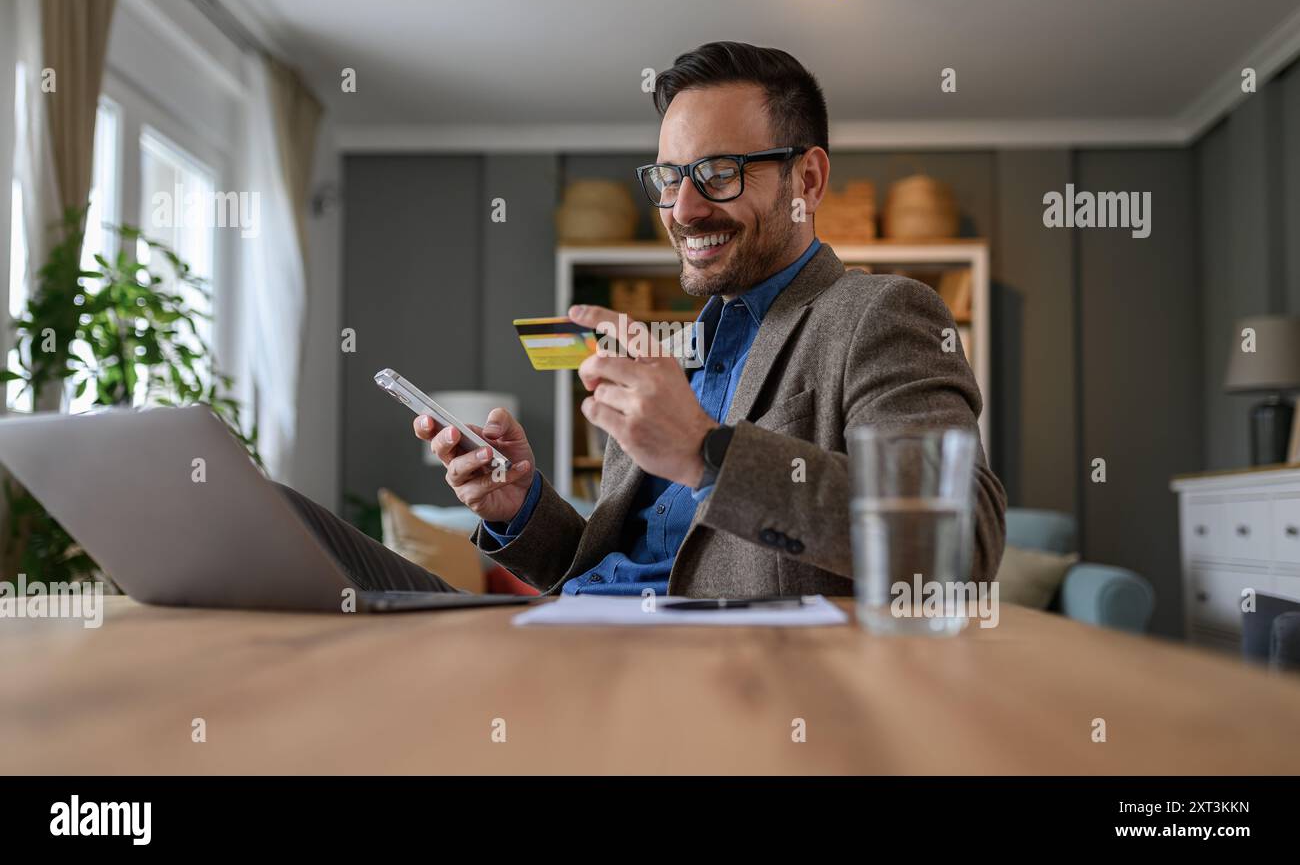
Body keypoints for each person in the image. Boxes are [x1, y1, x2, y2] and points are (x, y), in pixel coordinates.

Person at [409, 41, 1007, 598]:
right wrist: (520, 507)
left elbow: (959, 544)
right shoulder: (671, 356)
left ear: (809, 179)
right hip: (585, 645)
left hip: (728, 680)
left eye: (720, 173)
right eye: (670, 178)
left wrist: (706, 452)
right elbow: (624, 565)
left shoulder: (878, 315)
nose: (683, 210)